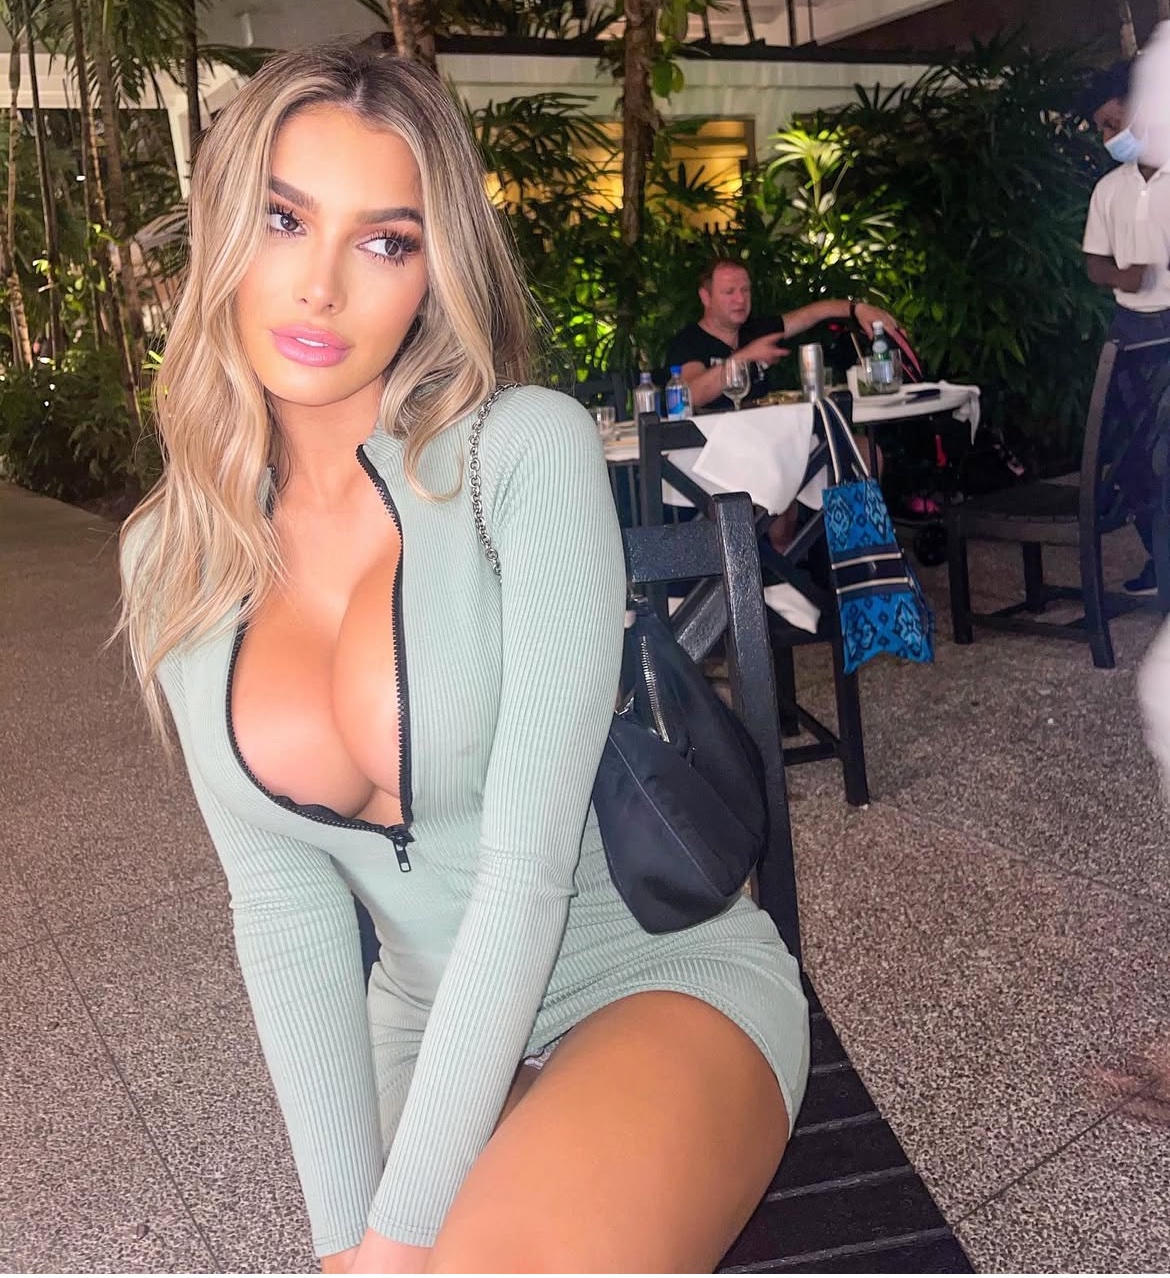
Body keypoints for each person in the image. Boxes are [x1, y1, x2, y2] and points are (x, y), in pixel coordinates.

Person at [116, 40, 808, 1275]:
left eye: (385, 242)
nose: (321, 286)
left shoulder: (518, 456)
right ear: (222, 231)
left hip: (647, 978)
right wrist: (346, 1242)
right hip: (426, 1024)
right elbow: (281, 909)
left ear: (434, 274)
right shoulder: (173, 557)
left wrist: (401, 1241)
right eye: (283, 218)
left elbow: (526, 873)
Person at [1082, 57, 1170, 595]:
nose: (1108, 137)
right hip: (1129, 331)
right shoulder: (1108, 189)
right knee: (1129, 453)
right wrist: (1123, 276)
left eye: (1113, 123)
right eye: (1101, 129)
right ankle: (1160, 559)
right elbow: (1094, 261)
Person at [665, 258, 901, 411]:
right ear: (706, 297)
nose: (740, 299)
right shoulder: (689, 342)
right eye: (729, 292)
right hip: (718, 450)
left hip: (772, 437)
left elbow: (813, 313)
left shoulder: (756, 330)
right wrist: (746, 357)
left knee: (865, 451)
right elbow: (691, 395)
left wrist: (857, 309)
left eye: (745, 290)